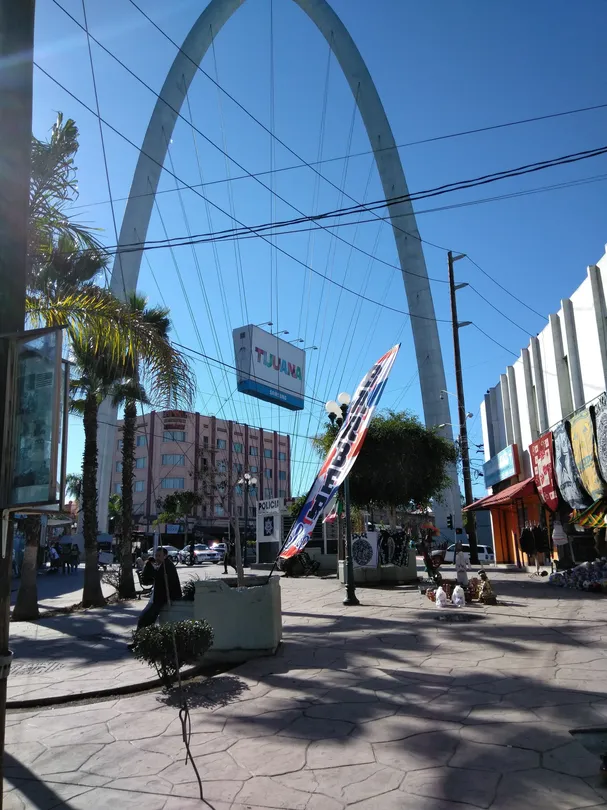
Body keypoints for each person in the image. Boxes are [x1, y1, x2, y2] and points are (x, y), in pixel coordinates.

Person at [136, 547, 182, 631]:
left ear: (165, 556)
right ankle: (141, 637)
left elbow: (160, 578)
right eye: (156, 556)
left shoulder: (167, 566)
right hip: (158, 596)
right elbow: (148, 579)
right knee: (144, 617)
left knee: (145, 618)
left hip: (162, 597)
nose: (157, 558)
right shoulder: (162, 565)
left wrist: (150, 567)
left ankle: (141, 637)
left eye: (159, 556)